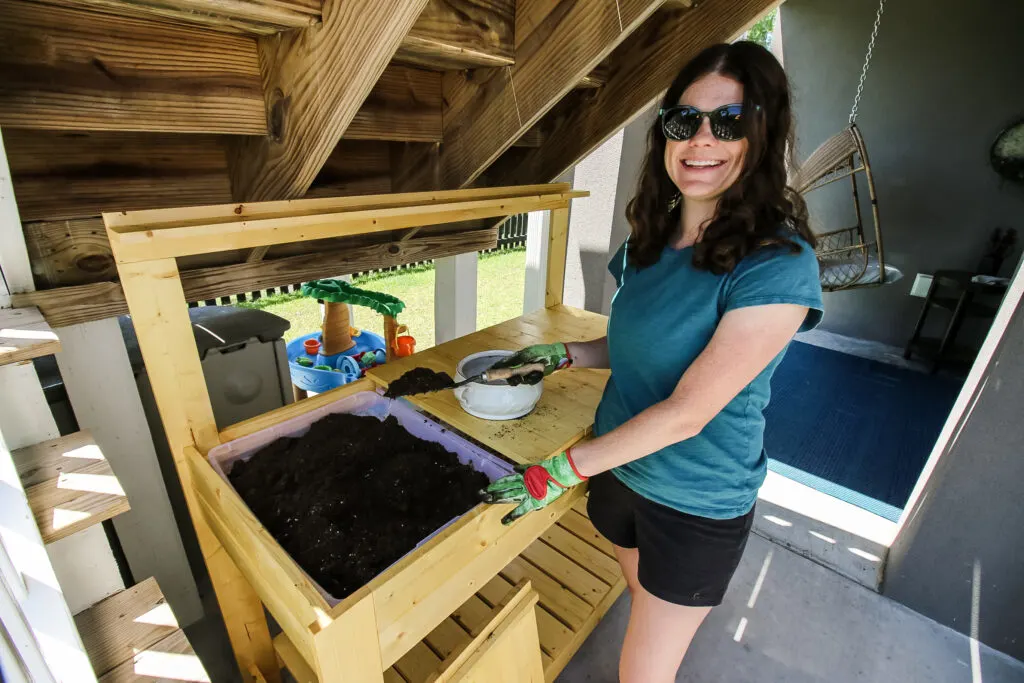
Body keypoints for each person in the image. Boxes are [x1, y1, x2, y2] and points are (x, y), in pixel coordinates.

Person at [481, 41, 824, 683]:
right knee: (644, 600)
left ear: (763, 131)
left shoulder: (777, 264)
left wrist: (558, 469)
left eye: (727, 122)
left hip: (694, 502)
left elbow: (690, 411)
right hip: (618, 474)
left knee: (642, 673)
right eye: (682, 121)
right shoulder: (649, 239)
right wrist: (565, 354)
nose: (700, 140)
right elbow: (641, 343)